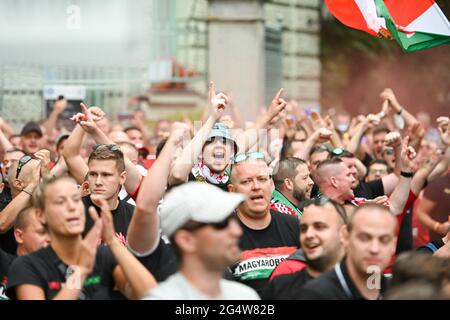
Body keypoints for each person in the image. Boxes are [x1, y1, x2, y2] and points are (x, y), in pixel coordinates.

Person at [7, 176, 157, 300]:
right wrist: (81, 271)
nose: (72, 207)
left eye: (76, 199)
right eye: (61, 202)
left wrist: (112, 242)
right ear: (41, 215)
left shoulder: (103, 255)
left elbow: (152, 294)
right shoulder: (28, 265)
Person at [142, 182, 259, 300]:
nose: (237, 231)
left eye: (233, 219)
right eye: (221, 223)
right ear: (186, 240)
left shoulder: (245, 296)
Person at [227, 153, 300, 294]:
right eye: (246, 181)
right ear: (232, 191)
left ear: (271, 185)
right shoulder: (222, 234)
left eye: (262, 179)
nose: (256, 186)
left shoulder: (293, 225)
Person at [298, 204, 397, 300]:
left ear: (393, 244)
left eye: (384, 240)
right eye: (364, 238)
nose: (374, 249)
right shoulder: (317, 294)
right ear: (345, 237)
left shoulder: (398, 290)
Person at [261, 198, 347, 299]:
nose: (308, 235)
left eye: (319, 227)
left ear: (344, 234)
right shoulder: (279, 287)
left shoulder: (362, 285)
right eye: (303, 229)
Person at [0, 207, 50, 299]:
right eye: (42, 232)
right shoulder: (3, 263)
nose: (49, 239)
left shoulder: (59, 275)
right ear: (19, 235)